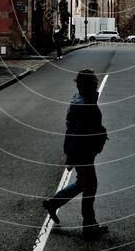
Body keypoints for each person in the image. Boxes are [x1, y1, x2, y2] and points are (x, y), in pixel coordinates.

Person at [43, 69, 108, 240]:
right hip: (83, 152)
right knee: (90, 186)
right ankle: (89, 227)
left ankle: (53, 204)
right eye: (94, 80)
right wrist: (72, 156)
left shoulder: (82, 98)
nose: (96, 82)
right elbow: (76, 132)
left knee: (83, 184)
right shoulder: (84, 103)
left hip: (83, 151)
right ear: (89, 83)